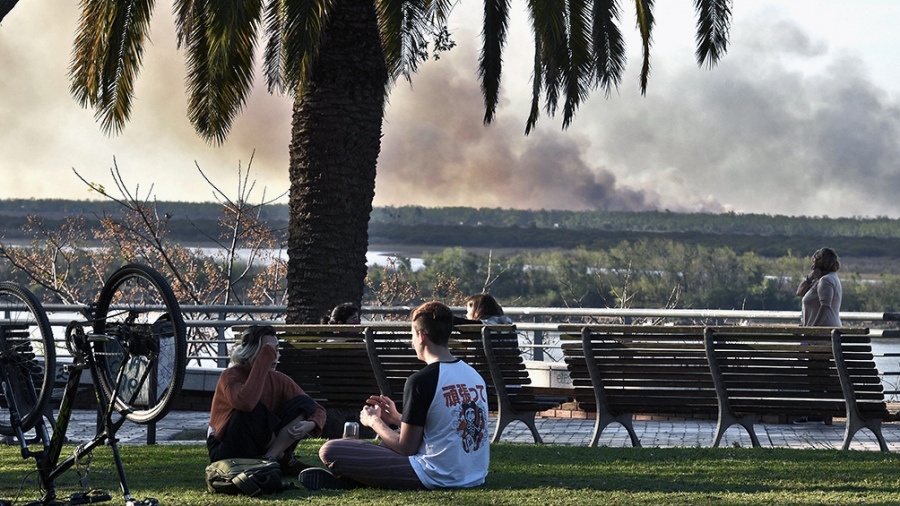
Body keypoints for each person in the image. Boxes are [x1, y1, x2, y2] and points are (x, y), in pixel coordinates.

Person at [299, 301, 490, 490]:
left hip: (437, 474)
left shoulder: (421, 380)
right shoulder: (473, 375)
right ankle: (348, 481)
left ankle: (349, 478)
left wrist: (374, 421)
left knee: (331, 449)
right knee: (386, 440)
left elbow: (407, 448)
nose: (412, 342)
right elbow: (444, 427)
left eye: (412, 335)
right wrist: (398, 419)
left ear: (421, 336)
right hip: (472, 474)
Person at [207, 325, 327, 476]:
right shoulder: (231, 376)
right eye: (268, 351)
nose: (274, 356)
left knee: (305, 402)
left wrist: (309, 424)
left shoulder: (279, 379)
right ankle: (282, 459)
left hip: (262, 447)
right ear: (252, 352)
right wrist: (262, 361)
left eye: (276, 350)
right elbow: (246, 403)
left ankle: (270, 459)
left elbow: (317, 409)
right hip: (227, 447)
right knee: (252, 408)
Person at [797, 247, 843, 327]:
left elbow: (825, 306)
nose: (812, 267)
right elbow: (800, 292)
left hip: (823, 333)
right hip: (820, 331)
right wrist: (809, 278)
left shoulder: (826, 280)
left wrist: (813, 330)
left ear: (820, 264)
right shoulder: (823, 279)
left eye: (814, 263)